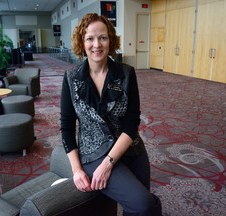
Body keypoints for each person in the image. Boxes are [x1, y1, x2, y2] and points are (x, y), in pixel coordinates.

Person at [60, 13, 162, 216]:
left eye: (103, 37)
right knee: (145, 204)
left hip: (130, 149)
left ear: (111, 41)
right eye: (90, 38)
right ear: (82, 42)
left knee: (140, 208)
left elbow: (132, 122)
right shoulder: (71, 78)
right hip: (94, 153)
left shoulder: (126, 73)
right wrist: (77, 170)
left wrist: (110, 163)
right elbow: (66, 126)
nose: (96, 44)